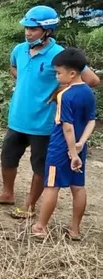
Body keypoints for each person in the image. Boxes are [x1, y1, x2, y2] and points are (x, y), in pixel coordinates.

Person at [0, 5, 100, 219]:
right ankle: (7, 193)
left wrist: (59, 91)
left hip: (43, 123)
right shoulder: (19, 50)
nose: (28, 32)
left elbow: (92, 80)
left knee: (39, 166)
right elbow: (14, 67)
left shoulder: (60, 55)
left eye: (33, 29)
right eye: (26, 28)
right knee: (8, 157)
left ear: (48, 31)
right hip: (17, 118)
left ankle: (29, 205)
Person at [31, 48, 96, 240]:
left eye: (59, 73)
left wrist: (71, 152)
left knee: (52, 185)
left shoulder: (65, 95)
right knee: (78, 186)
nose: (57, 76)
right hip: (78, 147)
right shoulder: (88, 92)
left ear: (72, 73)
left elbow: (67, 127)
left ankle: (41, 226)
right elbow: (91, 120)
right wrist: (80, 145)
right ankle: (74, 230)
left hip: (60, 148)